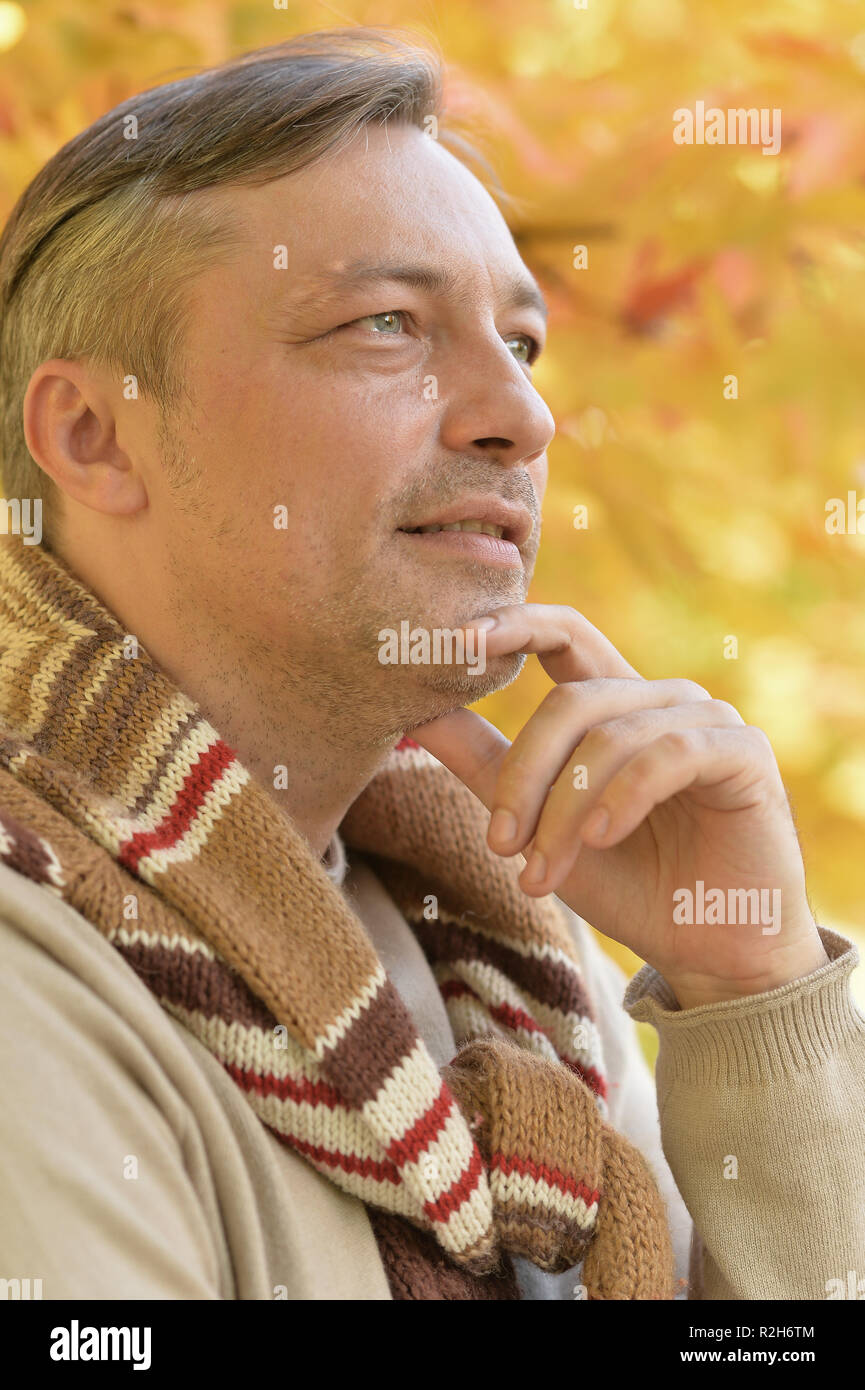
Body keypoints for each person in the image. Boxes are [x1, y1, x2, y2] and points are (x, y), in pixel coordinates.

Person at [0, 27, 862, 1302]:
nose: (522, 416)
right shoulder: (31, 976)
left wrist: (749, 989)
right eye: (387, 324)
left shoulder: (513, 960)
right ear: (92, 435)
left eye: (521, 343)